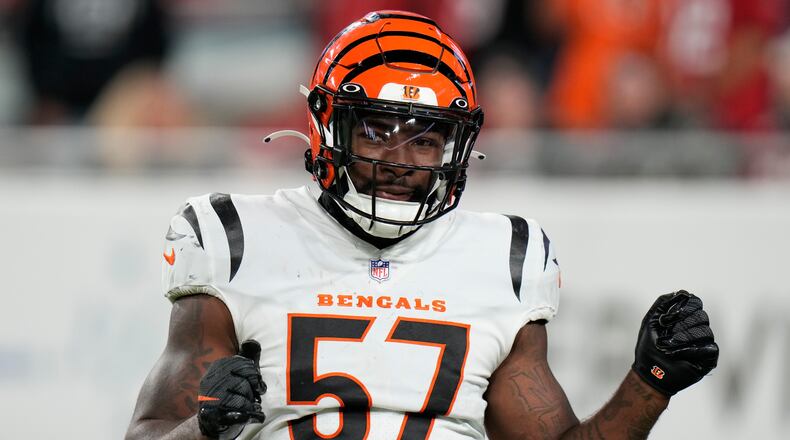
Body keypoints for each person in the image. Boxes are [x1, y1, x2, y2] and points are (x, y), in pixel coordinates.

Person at [126, 10, 719, 440]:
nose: (398, 159)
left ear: (455, 149)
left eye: (426, 138)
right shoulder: (237, 237)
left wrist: (650, 383)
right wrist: (202, 429)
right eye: (377, 129)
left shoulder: (503, 257)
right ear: (329, 127)